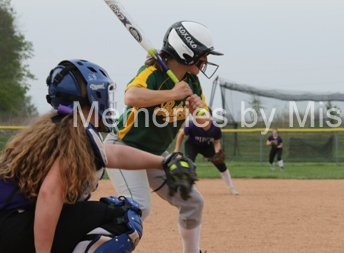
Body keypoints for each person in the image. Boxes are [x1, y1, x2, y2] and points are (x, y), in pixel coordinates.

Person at [0, 59, 190, 253]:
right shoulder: (75, 134)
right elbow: (50, 193)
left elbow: (113, 155)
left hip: (10, 224)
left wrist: (165, 162)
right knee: (123, 217)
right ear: (93, 96)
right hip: (13, 228)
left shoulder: (60, 125)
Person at [105, 20, 223, 253]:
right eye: (202, 55)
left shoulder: (191, 81)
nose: (206, 61)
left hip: (156, 155)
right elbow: (131, 96)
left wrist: (199, 109)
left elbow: (206, 124)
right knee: (137, 207)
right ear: (186, 53)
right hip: (124, 148)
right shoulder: (153, 74)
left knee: (192, 202)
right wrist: (171, 93)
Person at [174, 110, 239, 195]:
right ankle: (186, 188)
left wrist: (217, 153)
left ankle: (231, 188)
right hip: (192, 145)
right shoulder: (193, 125)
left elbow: (216, 142)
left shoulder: (215, 127)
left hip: (207, 146)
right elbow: (181, 134)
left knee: (221, 165)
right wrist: (177, 149)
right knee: (189, 165)